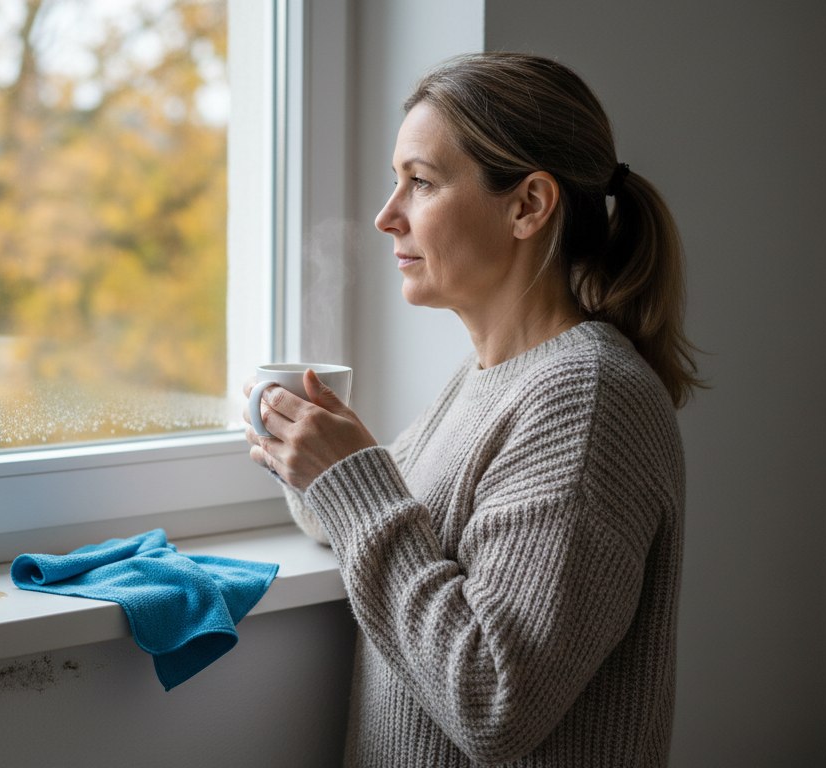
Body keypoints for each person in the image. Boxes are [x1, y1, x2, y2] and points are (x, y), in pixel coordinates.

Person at [243, 52, 700, 766]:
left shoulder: (586, 401)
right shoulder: (487, 380)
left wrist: (353, 480)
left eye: (420, 183)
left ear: (528, 206)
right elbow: (382, 519)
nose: (385, 216)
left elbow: (494, 701)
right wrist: (304, 451)